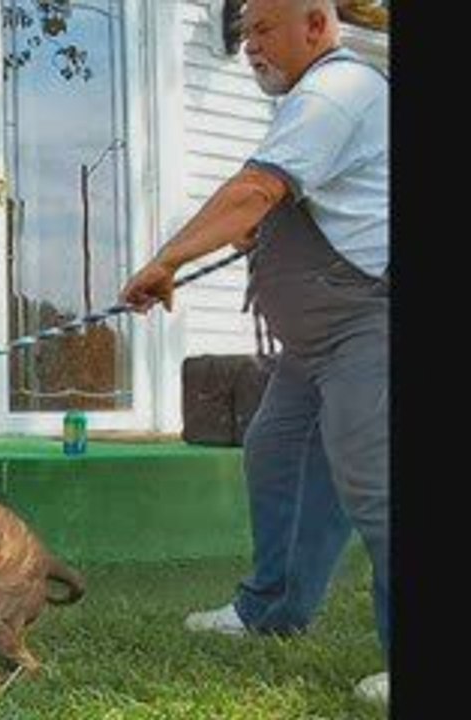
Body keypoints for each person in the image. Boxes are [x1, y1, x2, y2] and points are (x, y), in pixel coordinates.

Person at [118, 0, 388, 705]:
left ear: (318, 26)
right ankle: (272, 609)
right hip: (313, 344)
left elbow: (255, 189)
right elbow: (294, 202)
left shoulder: (338, 89)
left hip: (371, 323)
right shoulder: (311, 101)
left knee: (375, 481)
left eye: (265, 29)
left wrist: (165, 261)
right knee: (277, 449)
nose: (249, 46)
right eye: (242, 34)